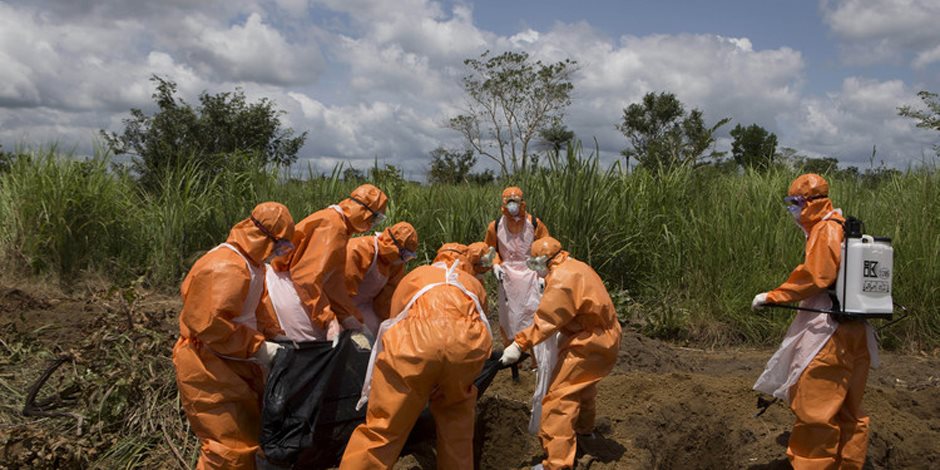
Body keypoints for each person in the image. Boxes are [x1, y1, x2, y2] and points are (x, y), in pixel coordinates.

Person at [751, 173, 879, 470]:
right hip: (856, 331)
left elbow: (816, 276)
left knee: (815, 411)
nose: (792, 209)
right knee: (849, 411)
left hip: (828, 333)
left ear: (810, 203)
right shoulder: (846, 228)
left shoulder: (826, 230)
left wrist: (774, 296)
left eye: (795, 203)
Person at [340, 243, 493, 470]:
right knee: (456, 424)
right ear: (468, 263)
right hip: (465, 350)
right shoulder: (472, 284)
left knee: (384, 428)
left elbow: (393, 316)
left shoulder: (418, 275)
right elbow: (481, 318)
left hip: (414, 347)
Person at [172, 202, 295, 469]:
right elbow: (209, 325)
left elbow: (258, 306)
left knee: (248, 437)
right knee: (227, 448)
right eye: (281, 245)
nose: (281, 252)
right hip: (206, 365)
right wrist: (259, 348)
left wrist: (275, 335)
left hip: (234, 359)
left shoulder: (252, 266)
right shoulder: (225, 266)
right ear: (263, 237)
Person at [500, 237, 622, 470]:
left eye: (536, 264)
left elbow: (548, 319)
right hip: (605, 337)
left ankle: (556, 464)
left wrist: (518, 345)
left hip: (589, 343)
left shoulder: (562, 279)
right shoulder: (577, 266)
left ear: (546, 260)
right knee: (583, 388)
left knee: (559, 399)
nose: (536, 271)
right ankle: (584, 434)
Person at [289, 184, 388, 340]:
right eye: (374, 218)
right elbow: (306, 278)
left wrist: (350, 317)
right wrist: (327, 319)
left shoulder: (340, 227)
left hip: (301, 293)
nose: (371, 224)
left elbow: (332, 282)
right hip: (291, 292)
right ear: (363, 210)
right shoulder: (333, 227)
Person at [485, 187, 551, 347]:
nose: (512, 205)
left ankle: (536, 358)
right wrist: (495, 265)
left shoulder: (534, 223)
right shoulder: (495, 226)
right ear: (504, 204)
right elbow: (490, 250)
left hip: (531, 273)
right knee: (508, 317)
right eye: (509, 202)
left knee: (533, 313)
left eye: (515, 201)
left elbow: (546, 248)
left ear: (522, 202)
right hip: (506, 276)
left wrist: (544, 274)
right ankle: (513, 357)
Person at [344, 221, 419, 337]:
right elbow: (340, 289)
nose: (404, 260)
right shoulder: (360, 250)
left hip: (364, 306)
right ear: (394, 246)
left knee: (378, 333)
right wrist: (350, 319)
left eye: (408, 257)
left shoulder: (396, 264)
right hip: (340, 303)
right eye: (405, 255)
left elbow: (386, 301)